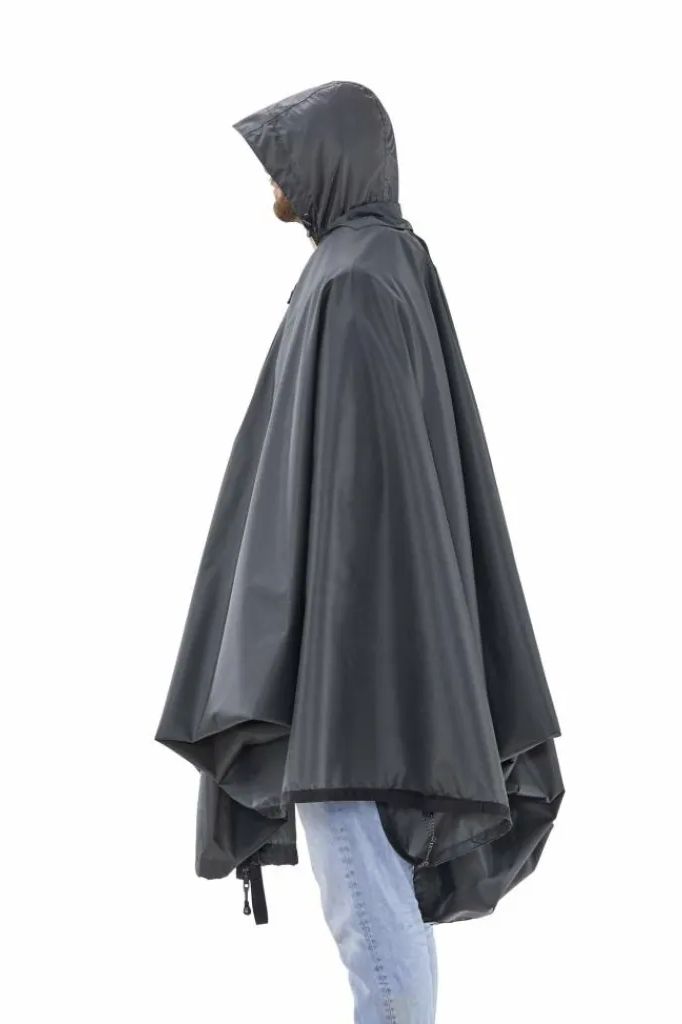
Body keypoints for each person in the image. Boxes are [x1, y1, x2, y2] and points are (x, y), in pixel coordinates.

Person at [156, 81, 564, 1024]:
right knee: (377, 904)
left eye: (284, 158)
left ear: (331, 159)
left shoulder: (352, 277)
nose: (273, 179)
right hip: (370, 660)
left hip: (350, 678)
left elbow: (358, 498)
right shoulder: (386, 262)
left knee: (367, 914)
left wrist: (318, 668)